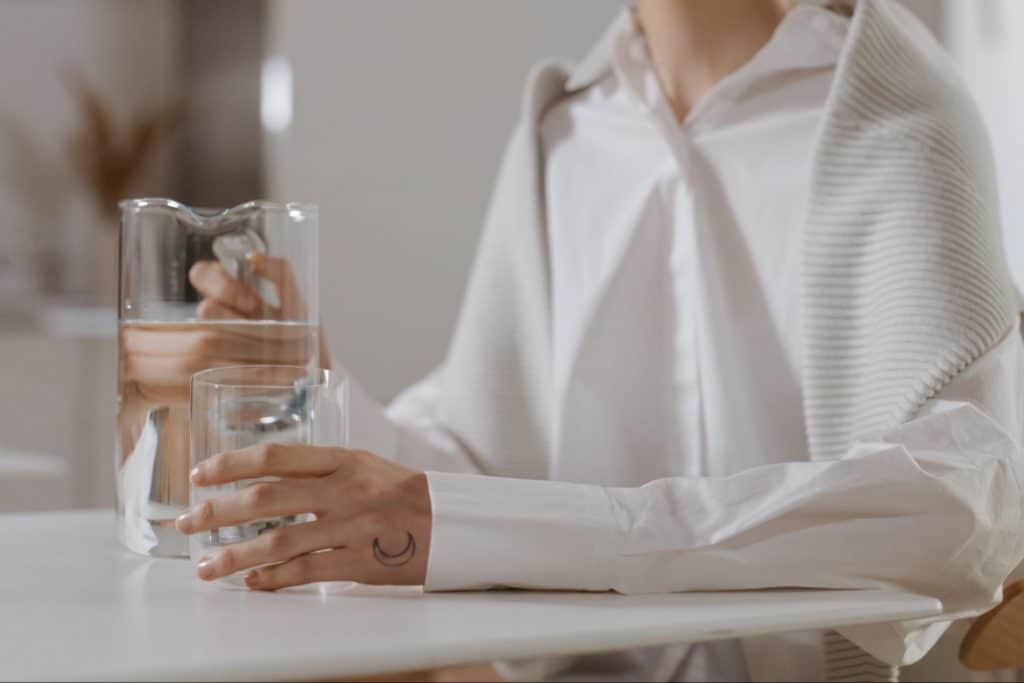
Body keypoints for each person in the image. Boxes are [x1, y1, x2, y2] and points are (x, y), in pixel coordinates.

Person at [159, 0, 1024, 680]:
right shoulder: (562, 133)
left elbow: (959, 500)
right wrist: (319, 390)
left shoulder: (897, 113)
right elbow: (485, 462)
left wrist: (604, 535)